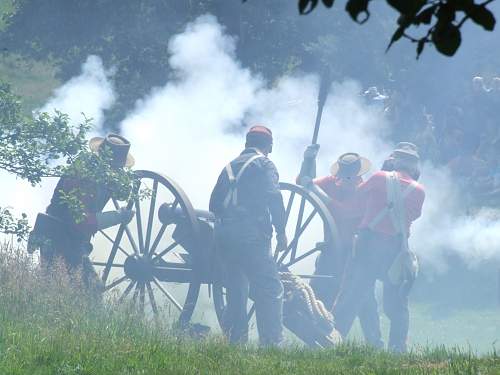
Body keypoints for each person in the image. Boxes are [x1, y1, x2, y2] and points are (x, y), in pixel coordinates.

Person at [332, 142, 425, 352]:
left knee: (351, 296)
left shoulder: (379, 178)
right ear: (414, 167)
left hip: (368, 243)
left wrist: (383, 172)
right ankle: (397, 350)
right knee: (397, 304)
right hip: (396, 248)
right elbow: (414, 216)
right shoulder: (420, 191)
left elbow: (357, 198)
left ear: (393, 161)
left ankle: (333, 342)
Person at [298, 145, 383, 348]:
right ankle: (317, 340)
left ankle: (375, 344)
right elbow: (304, 183)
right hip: (331, 252)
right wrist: (308, 161)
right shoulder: (331, 183)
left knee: (365, 301)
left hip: (356, 254)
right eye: (345, 176)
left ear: (358, 175)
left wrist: (316, 190)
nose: (347, 180)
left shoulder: (365, 191)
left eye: (351, 176)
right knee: (318, 296)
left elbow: (343, 212)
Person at [209, 125, 287, 346]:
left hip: (225, 238)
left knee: (236, 289)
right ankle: (271, 345)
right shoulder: (265, 164)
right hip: (251, 238)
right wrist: (281, 231)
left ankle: (235, 342)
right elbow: (274, 197)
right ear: (268, 146)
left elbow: (214, 204)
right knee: (270, 288)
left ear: (246, 143)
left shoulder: (229, 167)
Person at [30, 134, 135, 296]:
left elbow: (121, 194)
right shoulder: (83, 174)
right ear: (107, 162)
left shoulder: (103, 176)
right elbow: (81, 221)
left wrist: (126, 186)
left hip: (72, 237)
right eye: (117, 167)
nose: (118, 171)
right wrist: (118, 216)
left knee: (59, 287)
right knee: (89, 289)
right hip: (58, 233)